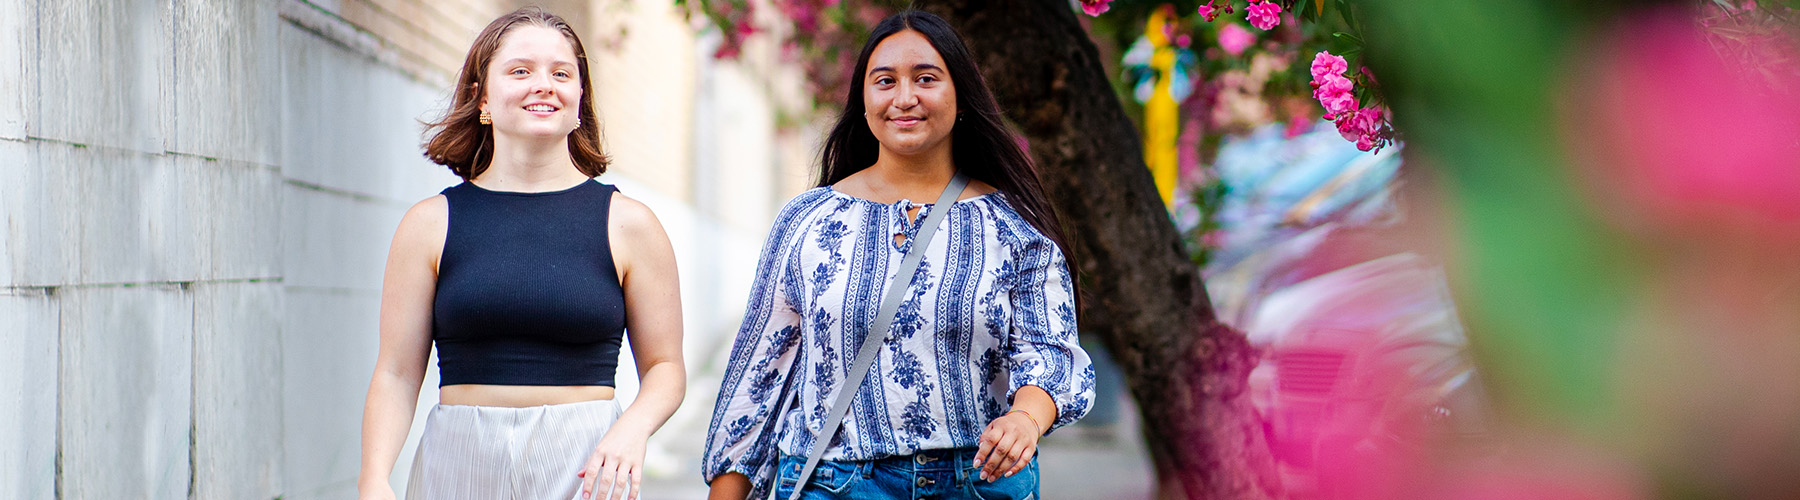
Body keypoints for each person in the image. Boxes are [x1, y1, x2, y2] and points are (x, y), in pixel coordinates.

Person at [701, 10, 1095, 500]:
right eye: (884, 81)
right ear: (863, 101)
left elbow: (1051, 354)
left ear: (962, 97)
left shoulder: (1014, 228)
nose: (904, 98)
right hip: (836, 482)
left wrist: (1024, 419)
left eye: (926, 78)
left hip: (979, 482)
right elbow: (758, 378)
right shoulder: (808, 221)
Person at [356, 7, 684, 500]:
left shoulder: (629, 223)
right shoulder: (429, 225)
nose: (543, 85)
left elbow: (665, 367)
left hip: (585, 465)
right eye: (520, 71)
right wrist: (374, 478)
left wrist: (632, 429)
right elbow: (397, 373)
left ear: (579, 100)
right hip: (458, 462)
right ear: (482, 96)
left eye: (561, 73)